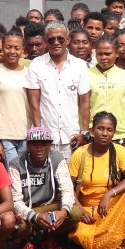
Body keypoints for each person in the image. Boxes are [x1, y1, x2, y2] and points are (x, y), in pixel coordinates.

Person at [67, 112, 125, 249]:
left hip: (110, 208)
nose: (104, 133)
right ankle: (113, 238)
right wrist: (81, 211)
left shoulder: (120, 151)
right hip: (86, 209)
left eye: (109, 130)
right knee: (83, 236)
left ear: (114, 133)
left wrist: (109, 194)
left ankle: (112, 237)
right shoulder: (80, 154)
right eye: (100, 128)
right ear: (92, 130)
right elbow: (67, 188)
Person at [25, 22, 91, 163]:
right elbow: (34, 103)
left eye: (60, 39)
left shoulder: (79, 66)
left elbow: (85, 102)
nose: (56, 42)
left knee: (70, 181)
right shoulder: (36, 65)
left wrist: (84, 132)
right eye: (51, 39)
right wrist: (39, 133)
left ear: (67, 40)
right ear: (45, 41)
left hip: (72, 137)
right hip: (46, 137)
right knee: (48, 180)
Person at [8, 126, 77, 249]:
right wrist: (35, 216)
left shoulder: (57, 158)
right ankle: (25, 238)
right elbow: (15, 201)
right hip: (28, 209)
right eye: (34, 144)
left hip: (49, 206)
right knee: (17, 225)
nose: (39, 148)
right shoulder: (16, 164)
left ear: (50, 145)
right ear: (28, 145)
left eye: (44, 144)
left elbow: (67, 189)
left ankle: (48, 235)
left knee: (75, 213)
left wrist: (63, 212)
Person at [0, 30, 33, 166]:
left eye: (17, 48)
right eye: (8, 47)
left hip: (26, 136)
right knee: (12, 175)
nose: (12, 51)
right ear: (3, 46)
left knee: (24, 177)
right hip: (4, 136)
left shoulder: (29, 73)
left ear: (23, 49)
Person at [88, 34, 125, 152]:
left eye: (108, 54)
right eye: (100, 54)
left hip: (118, 135)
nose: (104, 57)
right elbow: (81, 107)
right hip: (92, 134)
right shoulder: (86, 74)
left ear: (116, 53)